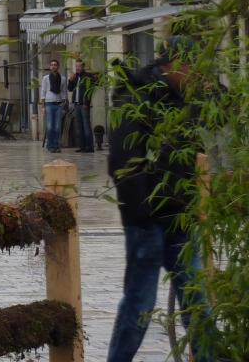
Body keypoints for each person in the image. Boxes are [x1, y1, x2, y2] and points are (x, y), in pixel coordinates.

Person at [106, 49, 213, 362]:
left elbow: (194, 148)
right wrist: (141, 214)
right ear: (173, 65)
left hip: (180, 216)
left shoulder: (182, 100)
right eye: (192, 68)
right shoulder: (136, 98)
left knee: (196, 300)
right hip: (147, 220)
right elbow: (123, 160)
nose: (195, 76)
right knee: (140, 304)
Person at [67, 59, 96, 153]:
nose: (77, 68)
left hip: (84, 104)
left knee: (86, 126)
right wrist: (70, 80)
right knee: (79, 127)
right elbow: (70, 89)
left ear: (83, 67)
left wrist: (86, 103)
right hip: (76, 104)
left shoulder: (88, 76)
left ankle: (89, 147)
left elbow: (91, 90)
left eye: (79, 66)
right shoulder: (75, 77)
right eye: (76, 66)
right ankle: (82, 146)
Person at [40, 58, 68, 152]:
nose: (53, 66)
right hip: (49, 104)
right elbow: (43, 92)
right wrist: (42, 106)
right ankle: (50, 145)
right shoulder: (46, 78)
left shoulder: (63, 79)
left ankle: (56, 145)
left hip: (59, 104)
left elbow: (64, 92)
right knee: (50, 126)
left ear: (58, 66)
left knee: (57, 127)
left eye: (55, 65)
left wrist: (64, 105)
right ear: (50, 67)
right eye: (52, 65)